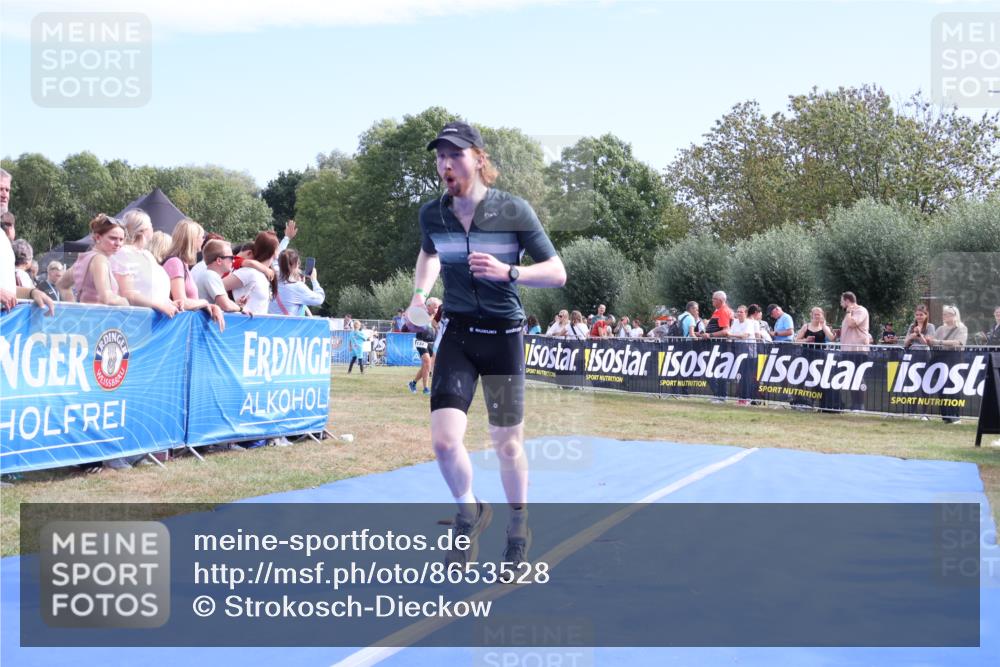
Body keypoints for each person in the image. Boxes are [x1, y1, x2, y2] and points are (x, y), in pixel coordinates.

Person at [408, 120, 566, 571]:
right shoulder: (432, 214)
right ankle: (469, 511)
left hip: (503, 336)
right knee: (443, 441)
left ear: (478, 158)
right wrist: (419, 295)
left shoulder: (514, 210)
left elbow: (557, 272)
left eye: (455, 154)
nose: (445, 164)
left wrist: (509, 271)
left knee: (507, 444)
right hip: (457, 332)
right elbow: (428, 253)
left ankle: (518, 528)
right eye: (440, 156)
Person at [111, 209, 178, 317]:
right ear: (142, 230)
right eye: (151, 225)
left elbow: (150, 290)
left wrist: (170, 303)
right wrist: (160, 305)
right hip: (136, 321)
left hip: (156, 320)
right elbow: (127, 294)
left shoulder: (147, 254)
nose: (153, 228)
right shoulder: (124, 253)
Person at [162, 219, 225, 330]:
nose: (203, 239)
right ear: (192, 240)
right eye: (201, 236)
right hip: (175, 329)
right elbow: (182, 302)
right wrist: (205, 302)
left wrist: (210, 306)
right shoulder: (175, 263)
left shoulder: (182, 264)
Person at [59, 214, 131, 307]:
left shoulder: (84, 258)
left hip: (86, 317)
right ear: (98, 237)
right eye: (113, 238)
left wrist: (74, 308)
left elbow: (62, 285)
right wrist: (128, 302)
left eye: (121, 239)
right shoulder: (99, 260)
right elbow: (107, 298)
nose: (118, 243)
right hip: (100, 318)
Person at [927, 305, 968, 424]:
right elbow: (933, 343)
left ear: (955, 315)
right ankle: (945, 415)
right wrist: (928, 340)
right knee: (942, 387)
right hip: (941, 359)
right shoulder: (940, 329)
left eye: (948, 314)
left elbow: (959, 343)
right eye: (944, 314)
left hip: (954, 360)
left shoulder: (961, 328)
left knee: (953, 387)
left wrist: (939, 342)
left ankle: (955, 416)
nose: (945, 316)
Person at [223, 230, 279, 316]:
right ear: (275, 251)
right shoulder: (249, 272)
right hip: (242, 326)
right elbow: (216, 286)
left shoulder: (261, 273)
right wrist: (232, 305)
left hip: (255, 326)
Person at [839, 291, 870, 412]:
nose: (841, 304)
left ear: (847, 301)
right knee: (851, 377)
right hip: (847, 349)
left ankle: (860, 405)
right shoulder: (850, 313)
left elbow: (852, 324)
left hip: (858, 350)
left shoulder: (860, 310)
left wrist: (848, 312)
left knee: (858, 376)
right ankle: (854, 404)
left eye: (842, 301)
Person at [269, 248, 325, 316]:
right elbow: (320, 299)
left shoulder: (273, 282)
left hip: (274, 325)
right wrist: (314, 280)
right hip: (290, 326)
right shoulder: (298, 287)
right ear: (295, 265)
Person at [196, 239, 247, 313]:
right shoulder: (211, 275)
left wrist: (236, 305)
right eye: (231, 258)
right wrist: (241, 309)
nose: (233, 261)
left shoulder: (208, 274)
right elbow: (226, 306)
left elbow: (223, 304)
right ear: (219, 260)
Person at [728, 305, 760, 405]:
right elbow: (732, 335)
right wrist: (733, 336)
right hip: (738, 351)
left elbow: (744, 335)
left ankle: (747, 398)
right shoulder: (735, 322)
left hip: (749, 352)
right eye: (737, 311)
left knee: (748, 376)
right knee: (740, 376)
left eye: (741, 312)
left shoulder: (750, 323)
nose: (739, 313)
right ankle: (742, 398)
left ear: (746, 313)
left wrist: (732, 335)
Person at [409, 297, 442, 394]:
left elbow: (438, 328)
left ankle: (413, 383)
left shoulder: (438, 317)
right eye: (435, 307)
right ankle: (426, 388)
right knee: (427, 362)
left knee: (426, 366)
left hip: (432, 342)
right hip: (421, 341)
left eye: (438, 307)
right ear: (428, 306)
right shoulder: (422, 314)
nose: (437, 309)